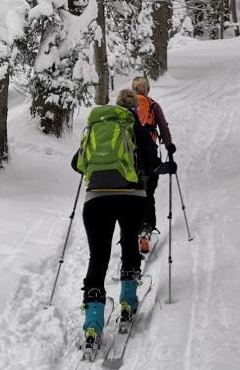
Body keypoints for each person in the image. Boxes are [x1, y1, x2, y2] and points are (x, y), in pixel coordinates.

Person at [72, 88, 176, 348]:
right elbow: (153, 166)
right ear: (135, 111)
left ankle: (93, 322)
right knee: (129, 243)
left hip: (95, 200)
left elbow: (77, 164)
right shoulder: (138, 130)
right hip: (132, 198)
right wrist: (168, 167)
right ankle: (128, 300)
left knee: (98, 258)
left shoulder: (95, 128)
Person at [131, 76, 176, 253]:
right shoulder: (153, 105)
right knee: (148, 192)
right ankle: (146, 229)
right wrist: (169, 146)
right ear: (147, 89)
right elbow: (163, 128)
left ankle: (131, 230)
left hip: (128, 155)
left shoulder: (125, 107)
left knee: (133, 192)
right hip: (149, 154)